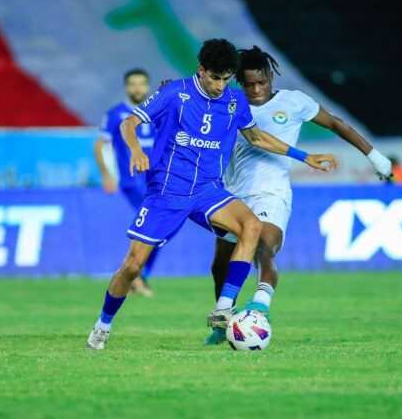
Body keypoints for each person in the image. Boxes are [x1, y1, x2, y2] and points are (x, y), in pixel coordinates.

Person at [85, 39, 337, 350]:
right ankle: (103, 325)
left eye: (226, 79)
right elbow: (129, 123)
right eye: (215, 78)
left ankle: (222, 310)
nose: (220, 86)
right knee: (133, 266)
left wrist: (304, 156)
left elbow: (257, 137)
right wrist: (136, 150)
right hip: (168, 190)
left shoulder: (234, 100)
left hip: (208, 189)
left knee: (251, 226)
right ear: (201, 70)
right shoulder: (174, 92)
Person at [202, 46, 393, 345]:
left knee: (265, 248)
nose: (256, 90)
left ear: (270, 76)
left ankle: (260, 306)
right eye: (249, 85)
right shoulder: (229, 102)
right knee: (220, 266)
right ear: (239, 82)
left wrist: (374, 155)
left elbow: (336, 124)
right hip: (233, 194)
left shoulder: (294, 102)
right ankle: (222, 324)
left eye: (261, 82)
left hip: (272, 193)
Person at [94, 68, 158, 296]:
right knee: (153, 223)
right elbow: (99, 145)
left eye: (142, 84)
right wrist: (106, 175)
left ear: (147, 86)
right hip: (133, 180)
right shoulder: (115, 114)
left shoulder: (157, 110)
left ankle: (136, 276)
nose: (137, 88)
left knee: (157, 228)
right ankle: (137, 276)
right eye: (133, 84)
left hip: (156, 179)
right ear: (126, 87)